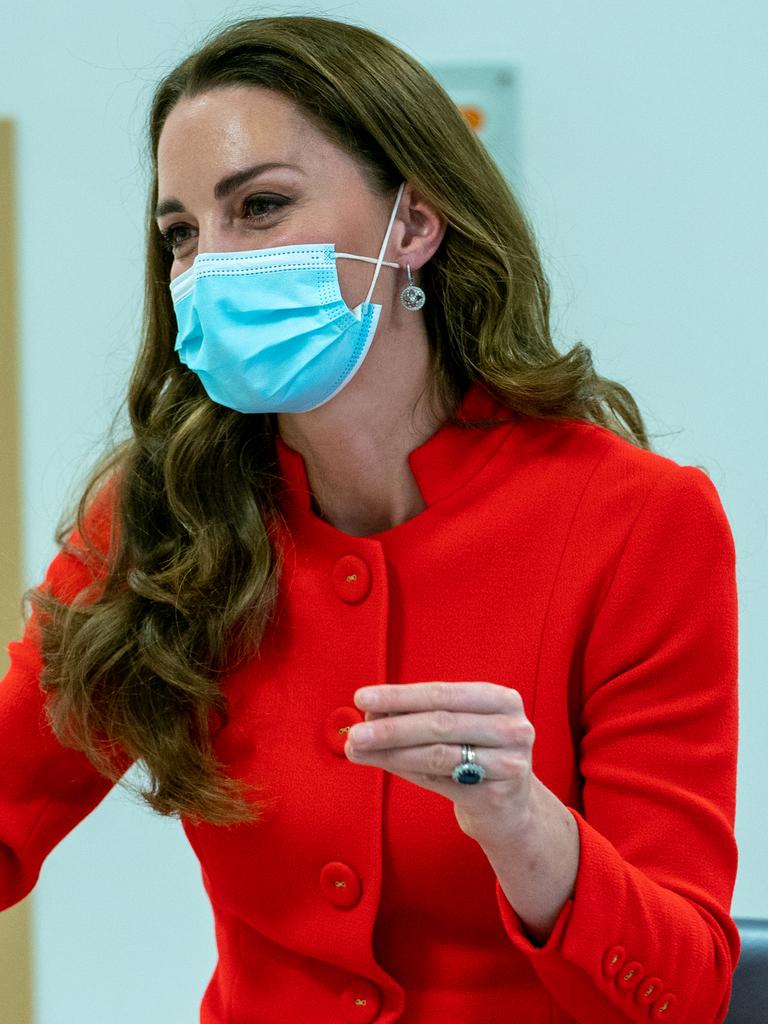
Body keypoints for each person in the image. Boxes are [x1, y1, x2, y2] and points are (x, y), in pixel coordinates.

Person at [0, 14, 739, 1024]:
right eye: (181, 233)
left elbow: (686, 994)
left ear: (416, 223)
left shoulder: (638, 522)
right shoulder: (158, 515)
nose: (207, 268)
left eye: (258, 207)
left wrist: (527, 828)